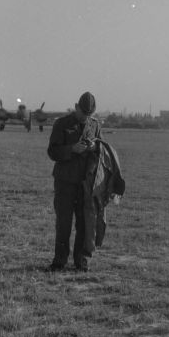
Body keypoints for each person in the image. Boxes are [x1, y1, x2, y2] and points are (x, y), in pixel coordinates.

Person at [47, 91, 101, 272]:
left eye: (89, 114)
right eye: (83, 113)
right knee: (64, 223)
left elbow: (101, 150)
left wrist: (95, 147)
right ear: (76, 107)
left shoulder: (94, 125)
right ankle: (59, 261)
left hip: (85, 184)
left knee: (84, 223)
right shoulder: (61, 124)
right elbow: (52, 152)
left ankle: (81, 262)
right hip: (65, 182)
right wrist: (72, 149)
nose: (86, 117)